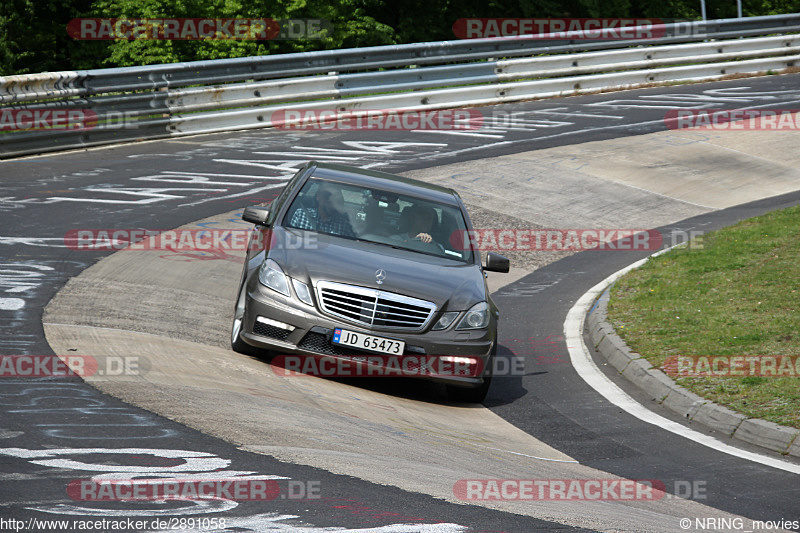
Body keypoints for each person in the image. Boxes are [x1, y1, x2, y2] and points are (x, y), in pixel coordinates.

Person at [290, 182, 355, 237]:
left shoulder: (344, 224)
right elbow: (287, 238)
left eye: (335, 197)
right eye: (327, 195)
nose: (330, 199)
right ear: (318, 196)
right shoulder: (301, 215)